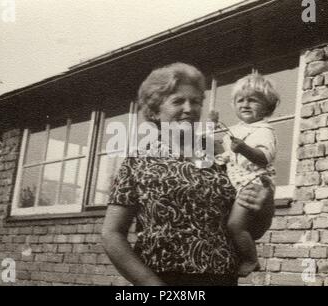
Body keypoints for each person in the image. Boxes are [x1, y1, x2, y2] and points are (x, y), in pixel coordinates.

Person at [101, 63, 275, 286]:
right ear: (155, 111)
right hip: (162, 280)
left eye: (195, 102)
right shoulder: (138, 161)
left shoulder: (223, 157)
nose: (189, 108)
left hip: (220, 280)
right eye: (178, 101)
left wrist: (266, 204)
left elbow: (251, 230)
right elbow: (112, 234)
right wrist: (151, 284)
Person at [210, 72, 278, 276]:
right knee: (233, 223)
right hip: (239, 182)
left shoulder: (264, 130)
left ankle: (251, 259)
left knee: (235, 224)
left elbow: (263, 157)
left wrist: (244, 149)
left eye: (253, 100)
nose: (245, 104)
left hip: (253, 183)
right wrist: (211, 126)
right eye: (240, 100)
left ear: (267, 106)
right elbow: (221, 153)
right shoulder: (235, 129)